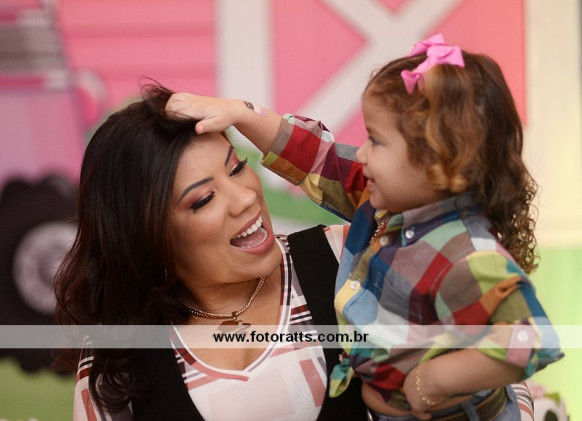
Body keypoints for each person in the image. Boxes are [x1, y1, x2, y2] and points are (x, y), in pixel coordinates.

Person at [164, 34, 562, 420]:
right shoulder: (386, 205)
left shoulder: (467, 252)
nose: (362, 153)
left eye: (376, 141)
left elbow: (531, 340)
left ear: (437, 162)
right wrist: (240, 113)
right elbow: (317, 158)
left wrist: (432, 381)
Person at [53, 84, 370, 421]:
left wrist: (249, 115)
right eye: (204, 199)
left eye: (237, 168)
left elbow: (400, 197)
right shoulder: (116, 358)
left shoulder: (345, 259)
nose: (245, 198)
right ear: (147, 235)